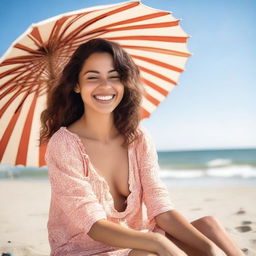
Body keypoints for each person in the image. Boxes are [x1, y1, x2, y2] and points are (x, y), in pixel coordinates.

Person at [40, 38, 244, 256]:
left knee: (208, 228)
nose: (105, 86)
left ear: (125, 83)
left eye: (114, 77)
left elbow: (160, 206)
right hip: (87, 251)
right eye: (93, 77)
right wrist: (156, 241)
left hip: (135, 244)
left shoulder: (138, 137)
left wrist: (209, 249)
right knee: (150, 253)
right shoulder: (63, 144)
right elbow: (94, 225)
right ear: (77, 85)